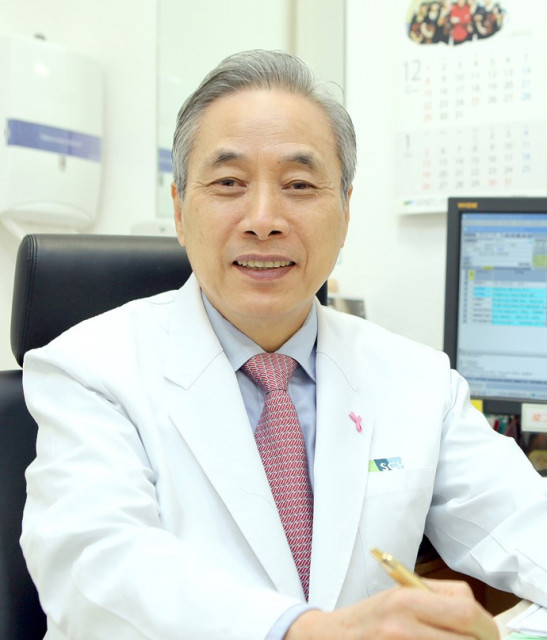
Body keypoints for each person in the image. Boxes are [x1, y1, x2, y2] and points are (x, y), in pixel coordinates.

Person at [20, 49, 547, 640]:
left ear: (345, 211)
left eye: (299, 184)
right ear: (179, 210)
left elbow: (528, 523)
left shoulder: (418, 379)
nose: (264, 218)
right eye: (228, 183)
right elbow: (95, 566)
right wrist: (301, 631)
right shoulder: (89, 368)